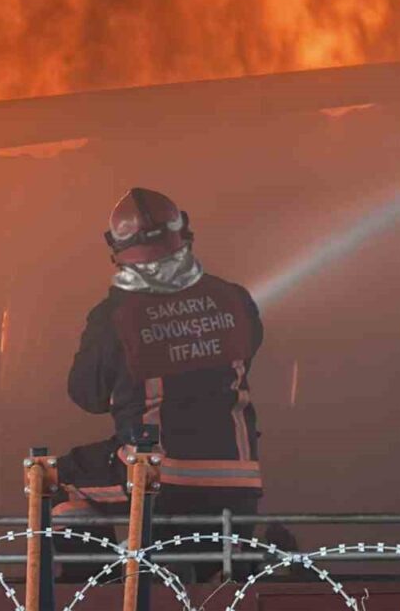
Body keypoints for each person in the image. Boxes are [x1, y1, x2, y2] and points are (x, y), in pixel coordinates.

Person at [50, 187, 264, 584]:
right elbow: (246, 353)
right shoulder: (235, 299)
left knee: (54, 479)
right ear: (184, 234)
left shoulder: (116, 314)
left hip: (157, 483)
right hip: (240, 484)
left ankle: (94, 588)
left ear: (116, 250)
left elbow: (87, 395)